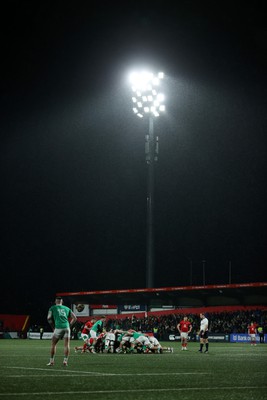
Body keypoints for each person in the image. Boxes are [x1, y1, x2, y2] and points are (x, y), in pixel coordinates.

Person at [47, 296, 77, 366]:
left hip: (58, 327)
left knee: (53, 344)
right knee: (67, 345)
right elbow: (75, 318)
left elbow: (48, 318)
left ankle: (51, 361)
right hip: (66, 327)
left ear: (55, 301)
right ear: (62, 302)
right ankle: (65, 361)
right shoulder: (67, 308)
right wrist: (69, 325)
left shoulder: (52, 308)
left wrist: (53, 327)